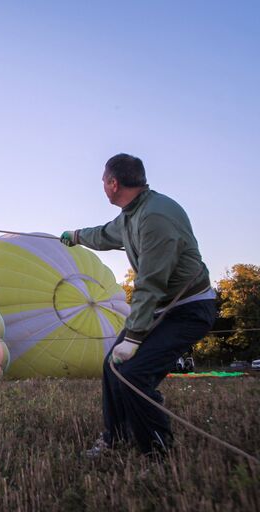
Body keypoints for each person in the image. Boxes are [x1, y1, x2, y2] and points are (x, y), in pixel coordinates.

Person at [60, 153, 216, 457]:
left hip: (189, 309)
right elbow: (107, 234)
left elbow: (151, 283)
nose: (102, 186)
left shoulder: (156, 217)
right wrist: (76, 236)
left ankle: (157, 451)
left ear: (113, 183)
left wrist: (133, 339)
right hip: (162, 308)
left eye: (103, 181)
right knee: (112, 366)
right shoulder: (133, 212)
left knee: (134, 374)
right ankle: (115, 437)